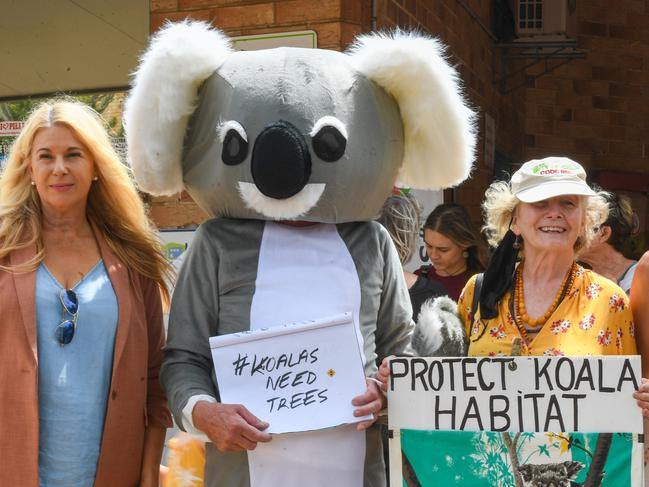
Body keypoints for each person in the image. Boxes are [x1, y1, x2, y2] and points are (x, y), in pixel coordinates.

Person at [0, 99, 172, 487]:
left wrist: (148, 469)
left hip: (111, 470)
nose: (59, 168)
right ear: (30, 168)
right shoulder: (3, 252)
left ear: (95, 166)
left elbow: (155, 377)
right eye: (46, 156)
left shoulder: (132, 257)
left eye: (73, 155)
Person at [457, 156, 637, 358]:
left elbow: (625, 384)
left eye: (568, 203)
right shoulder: (478, 291)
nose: (555, 213)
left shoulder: (610, 300)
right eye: (539, 202)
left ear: (583, 221)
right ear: (513, 219)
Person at [376, 189, 447, 321]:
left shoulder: (345, 287)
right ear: (410, 235)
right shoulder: (433, 295)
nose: (434, 254)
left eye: (443, 249)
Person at [416, 203, 488, 301]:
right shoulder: (418, 279)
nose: (433, 255)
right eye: (429, 246)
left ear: (464, 244)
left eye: (443, 250)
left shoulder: (483, 283)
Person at [578, 191, 638, 295]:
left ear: (604, 234)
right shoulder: (578, 277)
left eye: (583, 225)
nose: (572, 232)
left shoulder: (639, 276)